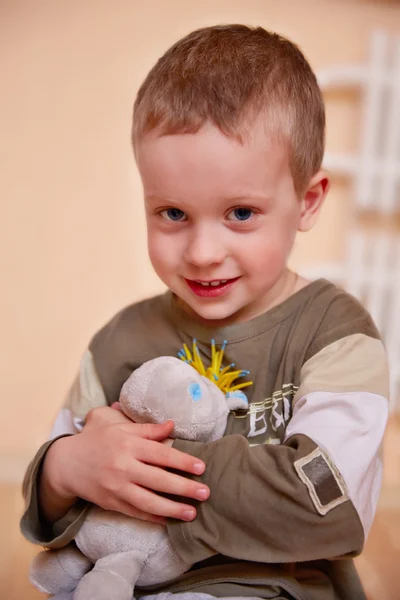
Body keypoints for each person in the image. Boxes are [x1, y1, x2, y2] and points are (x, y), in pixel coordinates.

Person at [20, 24, 389, 600]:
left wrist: (146, 465)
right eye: (171, 213)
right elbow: (56, 494)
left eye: (241, 213)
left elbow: (326, 504)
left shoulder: (337, 335)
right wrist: (64, 470)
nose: (201, 252)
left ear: (307, 202)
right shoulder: (118, 340)